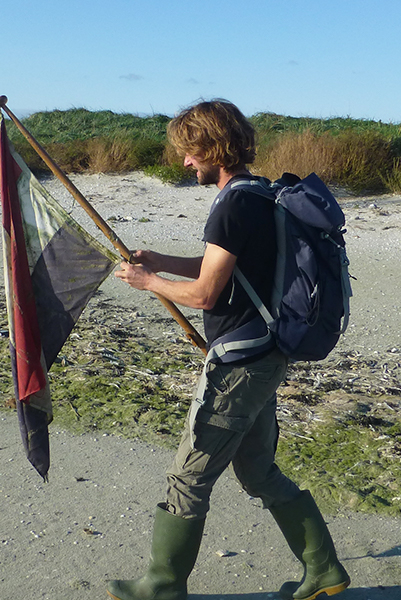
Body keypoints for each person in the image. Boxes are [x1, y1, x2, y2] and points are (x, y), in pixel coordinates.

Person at [109, 100, 350, 600]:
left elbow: (204, 294)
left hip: (240, 365)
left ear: (210, 147)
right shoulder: (258, 194)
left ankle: (162, 584)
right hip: (265, 355)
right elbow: (225, 265)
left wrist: (146, 281)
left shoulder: (233, 204)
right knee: (258, 470)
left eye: (189, 152)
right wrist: (162, 261)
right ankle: (324, 570)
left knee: (188, 477)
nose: (184, 163)